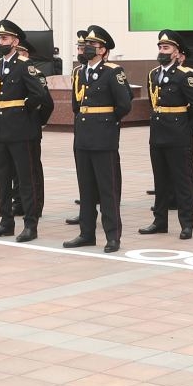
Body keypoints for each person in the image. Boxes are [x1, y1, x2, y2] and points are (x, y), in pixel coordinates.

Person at [67, 25, 133, 251]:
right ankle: (86, 233)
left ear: (103, 50)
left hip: (104, 136)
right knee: (85, 189)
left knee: (108, 189)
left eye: (92, 45)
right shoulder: (79, 72)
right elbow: (77, 105)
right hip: (83, 136)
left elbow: (124, 104)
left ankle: (113, 236)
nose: (87, 48)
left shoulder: (113, 71)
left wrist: (107, 122)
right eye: (86, 45)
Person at [0, 21, 50, 240]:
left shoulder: (24, 65)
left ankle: (30, 225)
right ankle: (5, 221)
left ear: (15, 41)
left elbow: (39, 94)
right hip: (2, 128)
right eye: (0, 38)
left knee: (25, 178)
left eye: (5, 38)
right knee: (3, 177)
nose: (1, 42)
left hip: (21, 129)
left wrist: (23, 110)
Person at [142, 30, 193, 240]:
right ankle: (159, 220)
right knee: (160, 180)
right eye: (160, 47)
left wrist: (181, 120)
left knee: (183, 179)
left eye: (167, 48)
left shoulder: (185, 75)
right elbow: (153, 103)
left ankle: (186, 223)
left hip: (178, 132)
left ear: (176, 52)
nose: (162, 51)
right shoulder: (153, 74)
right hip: (158, 132)